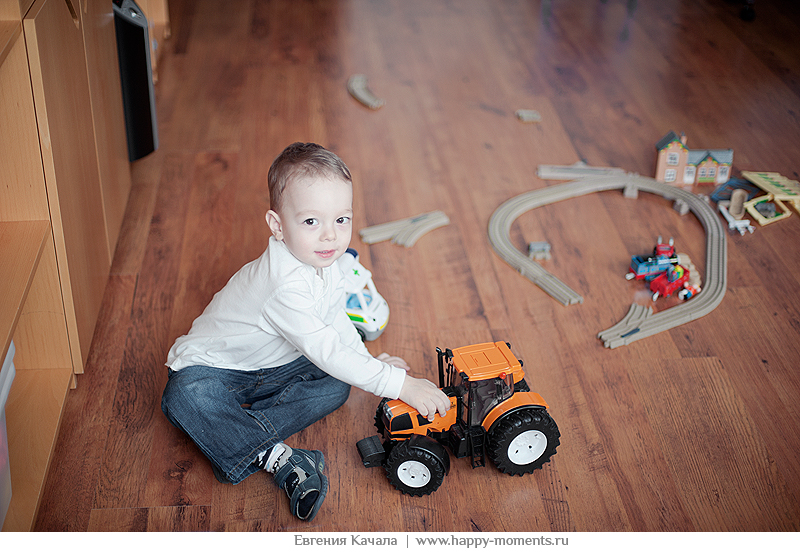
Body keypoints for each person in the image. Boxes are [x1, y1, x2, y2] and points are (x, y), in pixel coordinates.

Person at [161, 142, 450, 522]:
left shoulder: (328, 264)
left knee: (338, 383)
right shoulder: (283, 283)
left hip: (278, 362)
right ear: (277, 226)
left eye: (341, 220)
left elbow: (335, 323)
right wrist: (399, 384)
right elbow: (326, 349)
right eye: (311, 222)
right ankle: (280, 458)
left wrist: (367, 361)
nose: (330, 236)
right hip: (216, 370)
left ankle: (235, 436)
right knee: (184, 396)